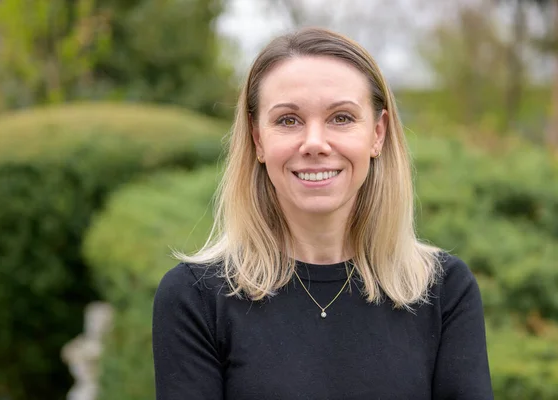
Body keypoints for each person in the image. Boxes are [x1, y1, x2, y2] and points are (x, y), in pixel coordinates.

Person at [152, 27, 493, 400]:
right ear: (258, 138)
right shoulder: (195, 297)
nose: (315, 143)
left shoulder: (444, 291)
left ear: (377, 134)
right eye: (288, 120)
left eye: (341, 118)